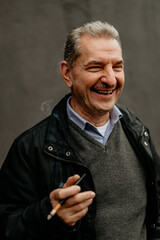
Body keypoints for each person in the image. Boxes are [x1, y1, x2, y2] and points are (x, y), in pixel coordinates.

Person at [0, 20, 160, 240]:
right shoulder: (29, 148)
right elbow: (6, 226)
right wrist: (49, 215)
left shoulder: (137, 131)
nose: (110, 79)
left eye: (117, 66)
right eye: (96, 66)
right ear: (67, 73)